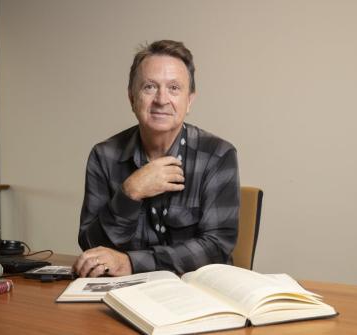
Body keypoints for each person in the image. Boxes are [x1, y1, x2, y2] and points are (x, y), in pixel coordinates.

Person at [73, 40, 240, 278]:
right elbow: (91, 247)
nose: (161, 99)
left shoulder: (218, 155)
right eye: (150, 87)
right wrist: (129, 193)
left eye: (174, 88)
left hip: (196, 295)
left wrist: (132, 262)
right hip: (123, 295)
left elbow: (216, 248)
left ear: (189, 100)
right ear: (132, 98)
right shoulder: (103, 156)